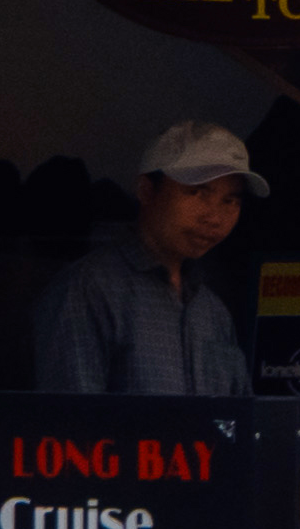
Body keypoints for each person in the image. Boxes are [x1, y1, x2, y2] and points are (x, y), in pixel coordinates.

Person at [31, 121, 259, 396]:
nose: (214, 217)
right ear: (147, 191)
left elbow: (237, 421)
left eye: (230, 201)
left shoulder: (212, 311)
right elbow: (75, 424)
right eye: (196, 193)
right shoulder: (89, 289)